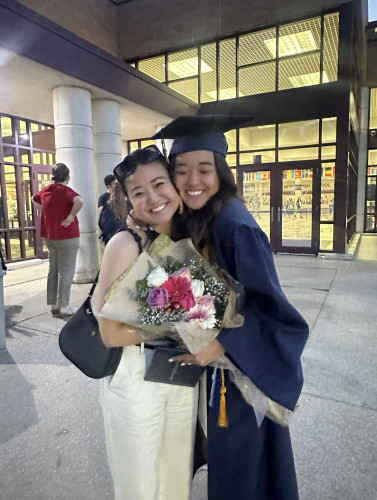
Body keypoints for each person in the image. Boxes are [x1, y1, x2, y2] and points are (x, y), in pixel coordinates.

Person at [154, 115, 310, 500]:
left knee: (243, 469)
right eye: (182, 171)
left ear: (221, 172)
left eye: (204, 169)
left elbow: (270, 306)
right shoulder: (196, 219)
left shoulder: (235, 224)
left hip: (241, 375)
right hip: (217, 373)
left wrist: (220, 343)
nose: (193, 182)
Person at [91, 145, 198, 500]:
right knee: (140, 485)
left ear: (175, 186)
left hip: (180, 376)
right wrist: (170, 325)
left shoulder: (189, 239)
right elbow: (109, 333)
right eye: (139, 192)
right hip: (135, 379)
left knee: (176, 477)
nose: (153, 198)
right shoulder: (125, 244)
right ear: (129, 201)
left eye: (159, 184)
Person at [32, 163, 83, 319]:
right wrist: (70, 217)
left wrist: (46, 209)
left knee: (53, 270)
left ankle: (54, 305)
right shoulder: (66, 191)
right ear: (67, 177)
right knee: (66, 272)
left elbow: (34, 200)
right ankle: (64, 307)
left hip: (50, 236)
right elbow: (79, 200)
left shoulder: (46, 190)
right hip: (67, 235)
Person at [98, 174, 126, 245]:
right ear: (108, 186)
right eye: (114, 184)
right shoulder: (103, 197)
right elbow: (102, 213)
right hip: (112, 231)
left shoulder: (123, 197)